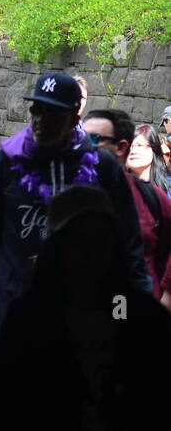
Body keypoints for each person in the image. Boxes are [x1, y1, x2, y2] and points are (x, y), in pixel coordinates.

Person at [0, 186, 171, 431]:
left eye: (99, 240)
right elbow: (0, 411)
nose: (89, 253)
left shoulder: (145, 320)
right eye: (78, 241)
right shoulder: (29, 319)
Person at [0, 71, 150, 340]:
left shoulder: (102, 167)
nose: (41, 121)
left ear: (75, 118)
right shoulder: (4, 164)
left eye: (53, 113)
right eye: (36, 110)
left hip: (85, 323)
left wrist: (124, 317)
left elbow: (128, 249)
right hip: (13, 318)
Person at [84, 108, 171, 301]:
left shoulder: (153, 198)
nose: (83, 146)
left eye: (94, 140)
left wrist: (165, 301)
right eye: (80, 138)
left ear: (121, 147)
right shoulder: (64, 191)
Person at [128, 123, 171, 194]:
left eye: (139, 145)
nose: (133, 151)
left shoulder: (168, 188)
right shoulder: (114, 187)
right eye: (130, 146)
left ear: (154, 150)